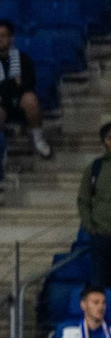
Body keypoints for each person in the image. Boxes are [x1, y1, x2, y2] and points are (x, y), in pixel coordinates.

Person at [0, 18, 49, 157]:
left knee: (30, 99)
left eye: (3, 35)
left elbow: (28, 85)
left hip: (18, 102)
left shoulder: (24, 60)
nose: (0, 39)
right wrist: (13, 84)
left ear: (11, 38)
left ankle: (38, 140)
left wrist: (2, 90)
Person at [78, 123, 111, 290]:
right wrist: (90, 226)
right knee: (101, 287)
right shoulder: (96, 168)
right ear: (106, 141)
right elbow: (83, 200)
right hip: (101, 237)